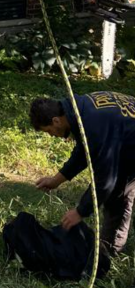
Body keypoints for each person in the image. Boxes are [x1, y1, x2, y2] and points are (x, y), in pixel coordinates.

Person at [30, 92, 135, 256]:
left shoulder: (94, 125)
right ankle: (109, 248)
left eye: (49, 131)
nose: (52, 135)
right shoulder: (79, 109)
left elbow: (106, 180)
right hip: (128, 140)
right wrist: (56, 180)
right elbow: (83, 151)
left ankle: (109, 252)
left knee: (117, 194)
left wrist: (80, 211)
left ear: (55, 121)